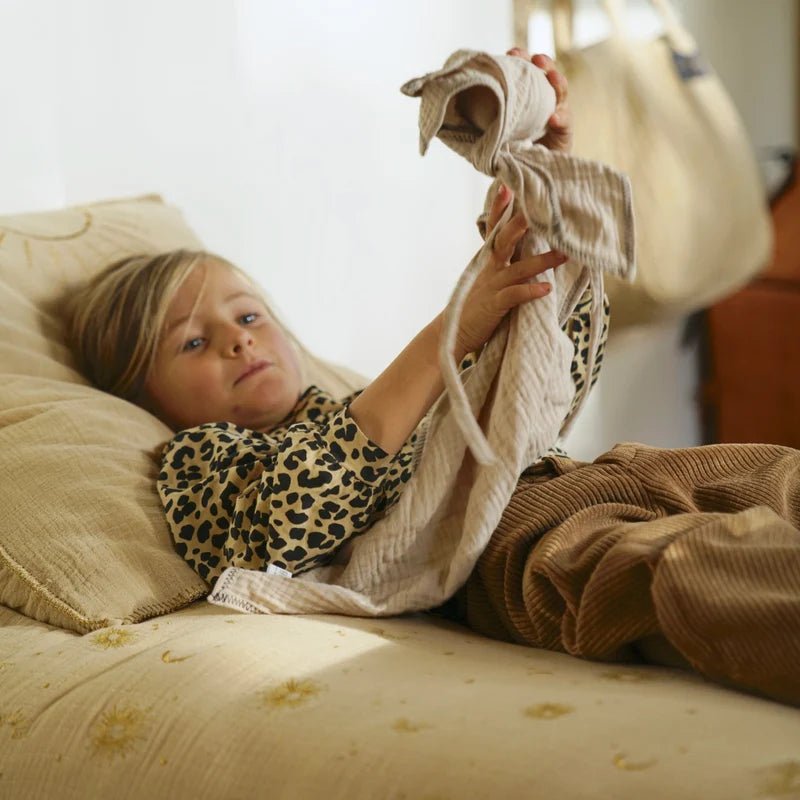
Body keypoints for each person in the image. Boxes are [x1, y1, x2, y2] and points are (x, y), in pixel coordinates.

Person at [64, 48, 606, 586]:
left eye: (249, 318)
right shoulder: (197, 463)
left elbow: (545, 382)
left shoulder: (360, 408)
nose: (236, 341)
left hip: (593, 484)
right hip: (526, 546)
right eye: (192, 343)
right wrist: (452, 332)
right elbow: (276, 533)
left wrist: (545, 185)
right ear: (140, 395)